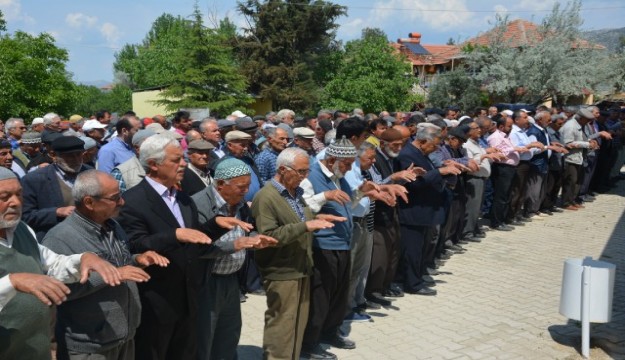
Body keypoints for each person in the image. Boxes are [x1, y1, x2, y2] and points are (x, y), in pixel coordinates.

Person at [117, 134, 241, 359]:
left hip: (190, 297)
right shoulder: (133, 201)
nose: (183, 163)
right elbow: (135, 244)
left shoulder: (183, 198)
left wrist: (215, 226)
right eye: (176, 160)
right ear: (154, 164)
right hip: (157, 299)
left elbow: (194, 241)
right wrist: (174, 235)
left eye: (182, 158)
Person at [42, 170, 169, 360]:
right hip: (90, 347)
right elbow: (60, 292)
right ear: (89, 202)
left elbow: (121, 263)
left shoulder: (112, 225)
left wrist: (138, 260)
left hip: (124, 339)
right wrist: (114, 274)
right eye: (115, 198)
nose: (122, 202)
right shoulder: (59, 238)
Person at [0, 167, 122, 359]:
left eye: (18, 194)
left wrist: (82, 258)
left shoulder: (22, 230)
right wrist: (12, 282)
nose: (15, 202)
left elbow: (52, 264)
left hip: (33, 346)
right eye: (4, 197)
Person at [252, 147, 341, 360]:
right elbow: (269, 236)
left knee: (297, 323)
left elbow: (301, 222)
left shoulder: (296, 192)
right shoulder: (266, 197)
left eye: (306, 171)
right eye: (301, 172)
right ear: (283, 169)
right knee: (282, 324)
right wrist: (306, 226)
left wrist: (320, 222)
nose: (305, 177)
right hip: (282, 271)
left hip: (301, 266)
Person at [300, 137, 379, 360]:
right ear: (333, 159)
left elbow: (348, 204)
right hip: (322, 244)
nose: (349, 169)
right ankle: (310, 343)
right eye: (346, 164)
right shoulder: (312, 175)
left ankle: (330, 332)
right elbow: (304, 207)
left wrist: (362, 192)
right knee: (321, 295)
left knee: (339, 293)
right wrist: (325, 195)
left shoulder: (338, 177)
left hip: (342, 243)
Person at [192, 158, 277, 360]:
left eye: (248, 186)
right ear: (221, 184)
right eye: (241, 186)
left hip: (231, 280)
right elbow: (195, 248)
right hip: (206, 282)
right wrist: (234, 245)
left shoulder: (239, 205)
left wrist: (255, 239)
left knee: (228, 334)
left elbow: (246, 232)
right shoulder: (198, 204)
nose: (246, 191)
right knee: (204, 336)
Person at [396, 125, 460, 295]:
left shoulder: (423, 153)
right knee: (412, 250)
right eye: (434, 145)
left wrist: (444, 172)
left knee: (419, 249)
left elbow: (429, 174)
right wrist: (440, 171)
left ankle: (415, 277)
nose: (437, 148)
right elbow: (414, 183)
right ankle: (412, 283)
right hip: (413, 211)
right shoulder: (407, 154)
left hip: (424, 211)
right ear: (423, 141)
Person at [22, 136, 91, 240]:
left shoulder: (91, 173)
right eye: (70, 156)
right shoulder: (34, 180)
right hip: (55, 242)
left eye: (79, 155)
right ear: (53, 155)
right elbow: (25, 216)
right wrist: (56, 212)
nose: (76, 160)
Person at [560, 109, 597, 210]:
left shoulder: (581, 125)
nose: (588, 122)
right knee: (571, 181)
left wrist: (590, 141)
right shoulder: (570, 126)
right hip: (571, 158)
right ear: (581, 118)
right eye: (586, 120)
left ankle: (573, 200)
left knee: (578, 181)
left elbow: (583, 137)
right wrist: (588, 144)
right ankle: (566, 202)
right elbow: (568, 143)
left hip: (580, 157)